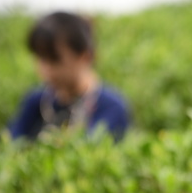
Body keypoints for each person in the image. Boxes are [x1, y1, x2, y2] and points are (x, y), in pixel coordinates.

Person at [8, 11, 130, 141]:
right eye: (41, 59)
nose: (46, 70)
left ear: (84, 57)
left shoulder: (111, 107)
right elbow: (10, 144)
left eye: (54, 60)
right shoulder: (36, 101)